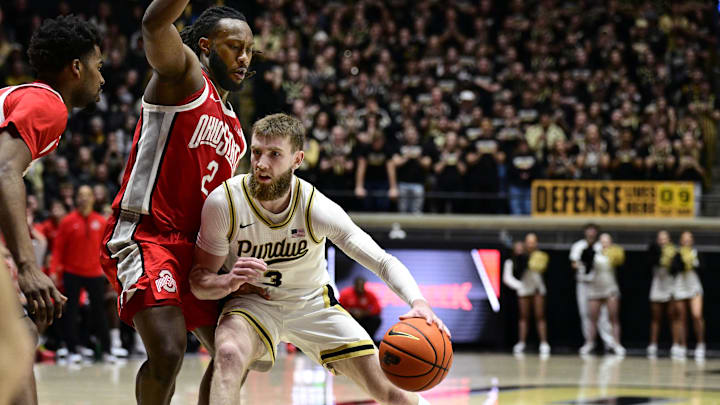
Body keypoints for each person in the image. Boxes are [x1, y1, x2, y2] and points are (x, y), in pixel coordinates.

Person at [190, 113, 447, 405]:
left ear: (297, 160)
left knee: (394, 393)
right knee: (227, 354)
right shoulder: (224, 202)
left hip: (312, 304)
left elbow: (382, 260)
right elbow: (199, 280)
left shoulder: (315, 208)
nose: (261, 163)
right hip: (253, 303)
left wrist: (418, 302)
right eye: (257, 152)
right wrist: (227, 281)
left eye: (275, 154)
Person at [99, 2, 253, 403]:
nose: (243, 57)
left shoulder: (237, 131)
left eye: (250, 50)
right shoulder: (184, 77)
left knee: (236, 349)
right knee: (168, 350)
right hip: (145, 235)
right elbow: (153, 23)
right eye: (233, 46)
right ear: (204, 45)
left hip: (196, 251)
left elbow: (225, 210)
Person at [0, 15, 103, 404]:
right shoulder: (48, 103)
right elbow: (5, 170)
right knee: (17, 337)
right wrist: (28, 267)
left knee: (19, 337)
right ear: (76, 68)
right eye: (98, 66)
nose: (102, 78)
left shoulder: (23, 97)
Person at [52, 185, 113, 362]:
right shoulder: (67, 221)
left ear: (93, 198)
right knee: (71, 311)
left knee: (99, 312)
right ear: (77, 199)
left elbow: (106, 249)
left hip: (95, 273)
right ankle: (72, 350)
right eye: (81, 195)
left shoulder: (101, 222)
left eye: (87, 195)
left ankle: (107, 351)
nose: (84, 198)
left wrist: (109, 272)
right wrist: (55, 270)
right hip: (72, 272)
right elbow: (58, 249)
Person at [569, 224, 615, 352]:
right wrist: (584, 263)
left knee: (603, 314)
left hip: (598, 283)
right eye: (588, 230)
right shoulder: (578, 246)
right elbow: (574, 263)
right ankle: (589, 342)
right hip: (583, 282)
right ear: (584, 232)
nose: (591, 233)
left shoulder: (601, 246)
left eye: (593, 230)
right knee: (585, 313)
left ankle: (609, 342)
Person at [579, 233, 626, 356]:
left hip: (610, 288)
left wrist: (611, 253)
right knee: (592, 318)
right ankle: (589, 343)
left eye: (607, 241)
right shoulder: (593, 252)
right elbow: (585, 265)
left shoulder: (614, 253)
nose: (604, 243)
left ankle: (616, 343)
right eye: (602, 241)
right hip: (595, 288)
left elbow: (619, 262)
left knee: (613, 318)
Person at [503, 234, 550, 355]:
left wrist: (530, 259)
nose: (530, 244)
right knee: (524, 317)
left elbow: (539, 268)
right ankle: (522, 342)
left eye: (533, 242)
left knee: (540, 316)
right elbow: (509, 277)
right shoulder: (515, 259)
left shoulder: (539, 256)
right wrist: (520, 286)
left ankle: (544, 343)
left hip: (537, 289)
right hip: (524, 290)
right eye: (528, 242)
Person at [671, 231, 704, 360]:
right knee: (681, 317)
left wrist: (693, 262)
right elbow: (673, 270)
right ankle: (683, 345)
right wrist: (682, 261)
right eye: (684, 239)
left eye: (689, 239)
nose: (686, 241)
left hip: (693, 285)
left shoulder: (696, 253)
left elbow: (703, 270)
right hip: (680, 285)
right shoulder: (676, 254)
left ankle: (700, 344)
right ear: (680, 241)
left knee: (696, 315)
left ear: (692, 240)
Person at [646, 230, 678, 357]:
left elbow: (676, 269)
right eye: (660, 239)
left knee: (672, 316)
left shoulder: (675, 252)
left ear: (669, 240)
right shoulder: (654, 251)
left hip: (670, 285)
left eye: (665, 239)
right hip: (657, 285)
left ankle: (676, 344)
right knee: (656, 317)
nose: (662, 241)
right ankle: (653, 344)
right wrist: (658, 255)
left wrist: (671, 261)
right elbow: (649, 265)